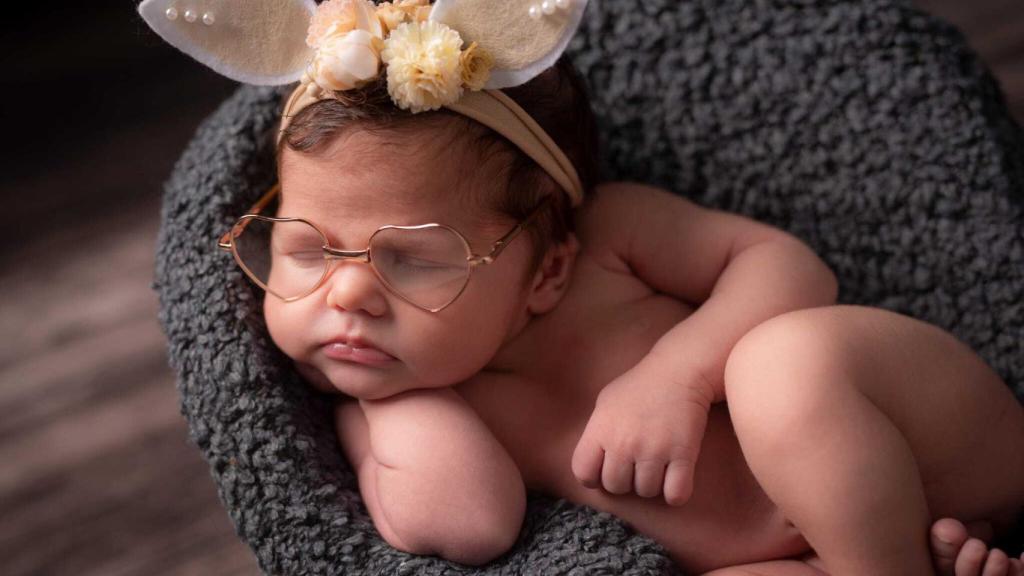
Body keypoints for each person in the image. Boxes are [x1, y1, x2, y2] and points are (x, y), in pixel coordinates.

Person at [143, 0, 1024, 573]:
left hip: (919, 433)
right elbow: (471, 521)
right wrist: (383, 394)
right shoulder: (403, 412)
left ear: (547, 269)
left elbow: (791, 270)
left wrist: (676, 376)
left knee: (781, 367)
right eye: (304, 250)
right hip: (795, 550)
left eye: (411, 257)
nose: (349, 296)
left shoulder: (608, 241)